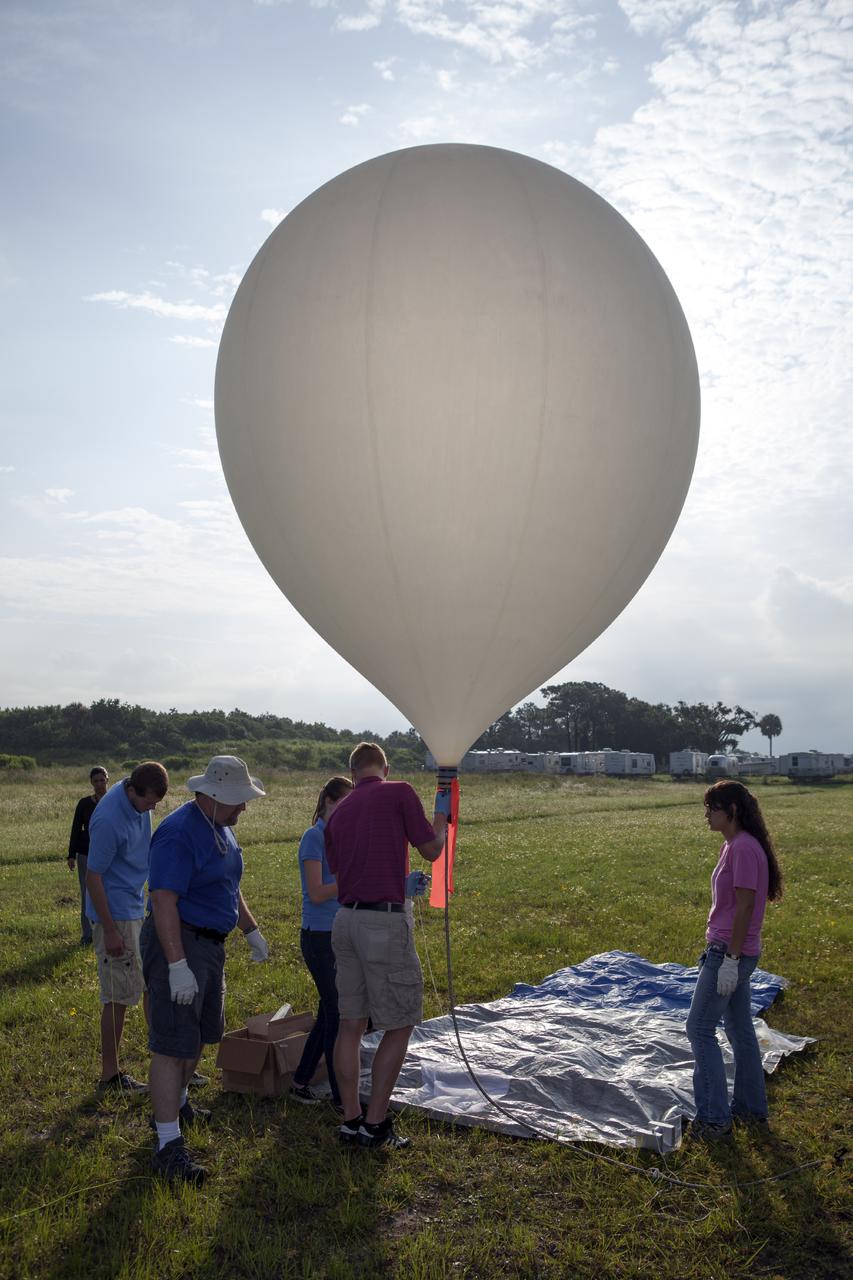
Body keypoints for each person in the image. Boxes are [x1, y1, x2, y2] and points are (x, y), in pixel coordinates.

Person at [142, 755, 270, 1185]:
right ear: (215, 796)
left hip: (209, 946)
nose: (244, 808)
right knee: (173, 1043)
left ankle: (178, 1106)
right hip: (181, 942)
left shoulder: (220, 827)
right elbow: (163, 902)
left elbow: (228, 886)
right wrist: (177, 965)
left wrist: (249, 929)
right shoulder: (178, 834)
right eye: (239, 800)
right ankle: (167, 1146)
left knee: (198, 1036)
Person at [325, 741, 449, 1150]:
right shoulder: (398, 792)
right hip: (383, 923)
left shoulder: (337, 812)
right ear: (384, 766)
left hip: (344, 922)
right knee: (398, 1023)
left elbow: (346, 870)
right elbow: (430, 849)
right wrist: (443, 819)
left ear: (353, 771)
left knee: (350, 1023)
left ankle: (350, 1119)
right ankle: (376, 1124)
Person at [686, 779, 784, 1139]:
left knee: (698, 1029)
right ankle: (750, 1108)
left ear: (733, 811)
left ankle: (714, 1120)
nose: (707, 815)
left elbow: (744, 906)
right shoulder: (735, 846)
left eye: (712, 808)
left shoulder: (743, 848)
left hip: (730, 952)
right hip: (736, 951)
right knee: (740, 1030)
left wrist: (730, 959)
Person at [85, 761, 170, 1096]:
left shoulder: (138, 795)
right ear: (133, 790)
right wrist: (110, 930)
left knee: (150, 984)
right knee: (118, 995)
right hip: (114, 912)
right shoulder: (107, 820)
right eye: (149, 802)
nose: (151, 809)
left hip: (136, 905)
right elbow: (93, 877)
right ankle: (110, 1076)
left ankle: (168, 1057)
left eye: (155, 804)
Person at [288, 775, 353, 1109]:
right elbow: (315, 892)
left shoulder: (342, 836)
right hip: (317, 935)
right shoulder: (313, 837)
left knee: (331, 1011)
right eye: (344, 805)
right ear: (328, 802)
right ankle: (342, 1097)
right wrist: (351, 879)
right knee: (338, 1012)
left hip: (340, 931)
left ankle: (301, 1080)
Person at [67, 766, 109, 945]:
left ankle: (108, 929)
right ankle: (87, 935)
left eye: (102, 780)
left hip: (109, 853)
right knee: (87, 891)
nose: (99, 784)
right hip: (86, 853)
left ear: (107, 779)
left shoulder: (113, 802)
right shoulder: (84, 804)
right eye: (96, 780)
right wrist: (71, 855)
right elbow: (76, 828)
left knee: (108, 890)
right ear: (91, 782)